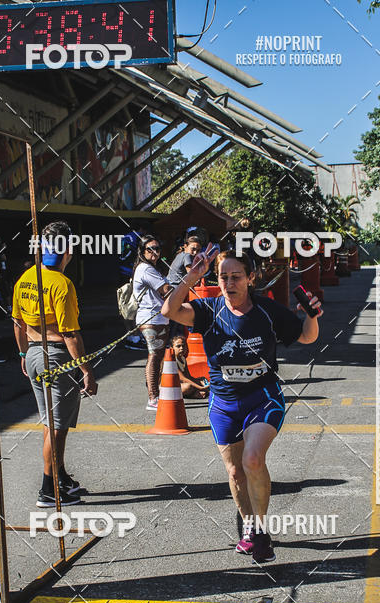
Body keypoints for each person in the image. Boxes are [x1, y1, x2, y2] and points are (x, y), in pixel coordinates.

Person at [162, 246, 322, 564]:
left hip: (263, 399)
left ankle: (260, 531)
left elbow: (306, 338)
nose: (229, 283)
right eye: (223, 277)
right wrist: (190, 278)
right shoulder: (207, 310)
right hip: (222, 403)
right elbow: (169, 310)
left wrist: (312, 316)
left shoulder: (267, 311)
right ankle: (248, 524)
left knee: (252, 459)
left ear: (251, 278)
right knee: (235, 472)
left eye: (236, 276)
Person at [12, 220, 97, 507]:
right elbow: (70, 334)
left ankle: (59, 477)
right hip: (57, 357)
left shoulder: (26, 277)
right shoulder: (62, 285)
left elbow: (17, 322)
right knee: (57, 426)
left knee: (50, 424)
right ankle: (48, 489)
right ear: (68, 251)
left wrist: (24, 354)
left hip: (35, 353)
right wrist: (86, 370)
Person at [132, 234, 172, 411]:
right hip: (151, 318)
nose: (155, 252)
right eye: (151, 249)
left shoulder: (150, 268)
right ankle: (153, 398)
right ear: (142, 251)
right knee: (154, 356)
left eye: (157, 248)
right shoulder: (146, 269)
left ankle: (154, 393)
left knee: (156, 356)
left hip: (158, 318)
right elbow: (166, 291)